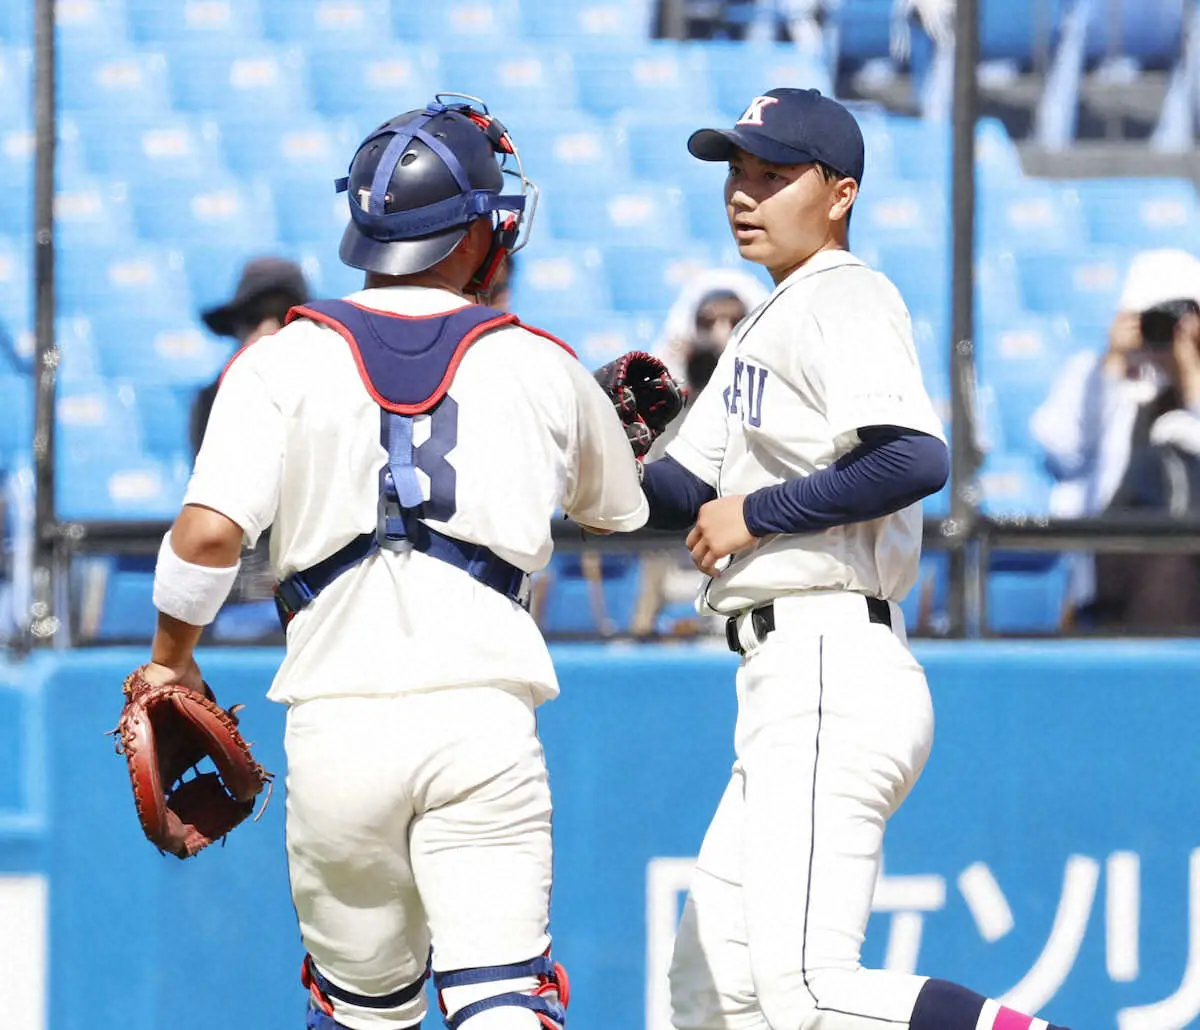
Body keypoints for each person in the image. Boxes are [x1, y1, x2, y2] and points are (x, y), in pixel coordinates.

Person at [134, 97, 648, 1030]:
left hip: (338, 727)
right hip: (480, 719)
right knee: (501, 998)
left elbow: (206, 537)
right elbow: (618, 511)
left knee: (363, 1011)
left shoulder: (277, 360)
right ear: (480, 233)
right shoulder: (540, 362)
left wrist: (171, 657)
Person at [637, 88, 1077, 1030]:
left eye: (772, 173)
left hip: (830, 657)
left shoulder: (845, 292)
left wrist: (756, 512)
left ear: (839, 195)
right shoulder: (771, 317)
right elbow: (679, 490)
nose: (743, 193)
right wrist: (593, 450)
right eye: (735, 172)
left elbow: (914, 457)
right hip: (786, 675)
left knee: (810, 991)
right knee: (709, 994)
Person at [1031, 248, 1200, 631]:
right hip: (1113, 557)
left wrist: (1189, 375)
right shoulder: (1096, 376)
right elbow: (1064, 450)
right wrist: (1110, 367)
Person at [190, 255, 311, 456]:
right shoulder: (213, 402)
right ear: (237, 327)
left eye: (285, 314)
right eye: (253, 317)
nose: (268, 328)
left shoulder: (336, 397)